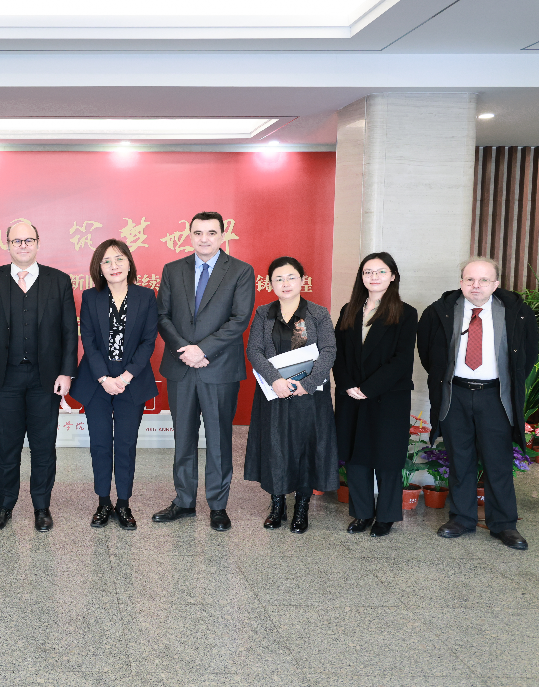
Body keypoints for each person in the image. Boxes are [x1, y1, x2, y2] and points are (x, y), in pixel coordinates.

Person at [417, 257, 538, 550]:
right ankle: (461, 518)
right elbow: (428, 353)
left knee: (498, 461)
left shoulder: (516, 312)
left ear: (496, 284)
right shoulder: (440, 311)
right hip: (455, 394)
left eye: (484, 280)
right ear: (461, 282)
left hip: (495, 396)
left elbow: (528, 354)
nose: (476, 285)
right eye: (470, 279)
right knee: (460, 458)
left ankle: (504, 524)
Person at [0, 220, 78, 533]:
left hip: (46, 380)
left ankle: (41, 506)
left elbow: (69, 332)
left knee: (44, 447)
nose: (23, 246)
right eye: (16, 241)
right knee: (7, 447)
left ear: (38, 243)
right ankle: (4, 505)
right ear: (7, 244)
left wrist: (66, 372)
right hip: (3, 379)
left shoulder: (59, 281)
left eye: (28, 240)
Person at [152, 211, 255, 532]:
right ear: (190, 236)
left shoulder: (240, 271)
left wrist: (203, 350)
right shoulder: (173, 269)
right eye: (198, 233)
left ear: (222, 236)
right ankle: (184, 501)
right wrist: (186, 349)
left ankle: (218, 505)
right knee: (183, 438)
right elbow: (162, 315)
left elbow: (239, 319)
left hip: (219, 368)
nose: (204, 239)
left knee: (219, 439)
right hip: (181, 367)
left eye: (211, 232)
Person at [244, 257, 338, 533]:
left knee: (306, 448)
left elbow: (329, 350)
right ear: (270, 283)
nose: (285, 283)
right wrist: (275, 380)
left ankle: (301, 508)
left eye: (291, 277)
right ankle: (277, 506)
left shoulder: (318, 313)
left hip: (309, 396)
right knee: (275, 447)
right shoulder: (264, 313)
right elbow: (254, 350)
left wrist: (309, 382)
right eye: (279, 279)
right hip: (275, 392)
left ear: (302, 280)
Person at [72, 239, 159, 530]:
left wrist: (124, 377)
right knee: (99, 444)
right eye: (107, 261)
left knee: (126, 443)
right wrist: (104, 378)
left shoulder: (146, 296)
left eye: (119, 259)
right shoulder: (90, 297)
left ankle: (123, 503)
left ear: (129, 263)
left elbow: (148, 341)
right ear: (99, 268)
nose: (114, 266)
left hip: (131, 382)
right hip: (96, 383)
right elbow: (89, 341)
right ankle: (103, 502)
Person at [333, 252, 418, 538]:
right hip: (351, 395)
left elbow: (402, 359)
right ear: (361, 277)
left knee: (387, 457)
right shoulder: (349, 309)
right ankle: (362, 513)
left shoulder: (406, 313)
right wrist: (347, 384)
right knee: (356, 456)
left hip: (387, 396)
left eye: (381, 271)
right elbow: (338, 353)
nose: (374, 277)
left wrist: (368, 388)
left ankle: (386, 516)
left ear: (392, 276)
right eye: (368, 272)